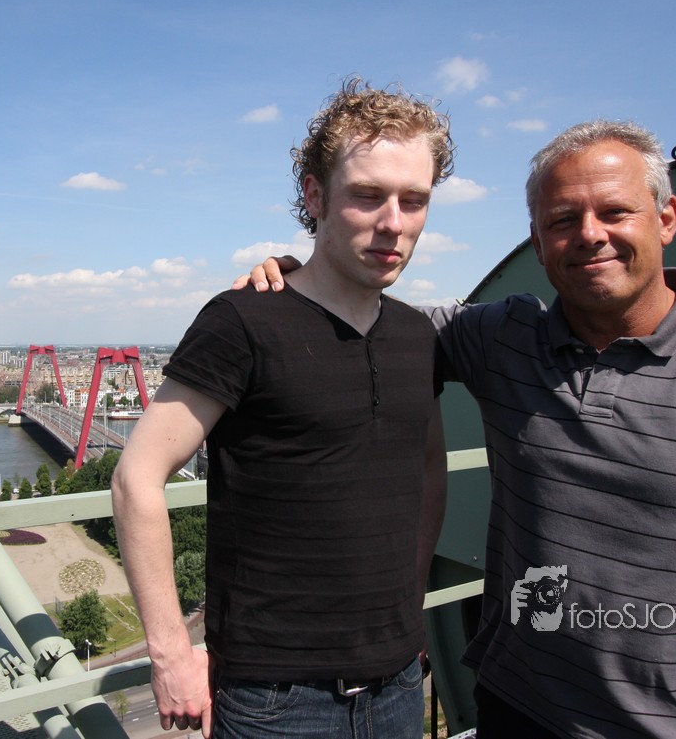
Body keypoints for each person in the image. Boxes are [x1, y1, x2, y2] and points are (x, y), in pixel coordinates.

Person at [246, 120, 676, 738]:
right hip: (520, 712)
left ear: (667, 218)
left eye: (615, 212)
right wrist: (300, 280)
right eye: (562, 220)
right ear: (538, 243)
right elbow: (369, 321)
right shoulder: (503, 338)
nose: (590, 234)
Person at [112, 78, 455, 738]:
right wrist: (171, 654)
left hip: (398, 685)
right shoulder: (242, 322)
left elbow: (428, 472)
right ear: (314, 195)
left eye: (414, 200)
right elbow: (136, 478)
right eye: (367, 195)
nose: (393, 222)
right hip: (275, 700)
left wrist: (408, 608)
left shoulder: (419, 337)